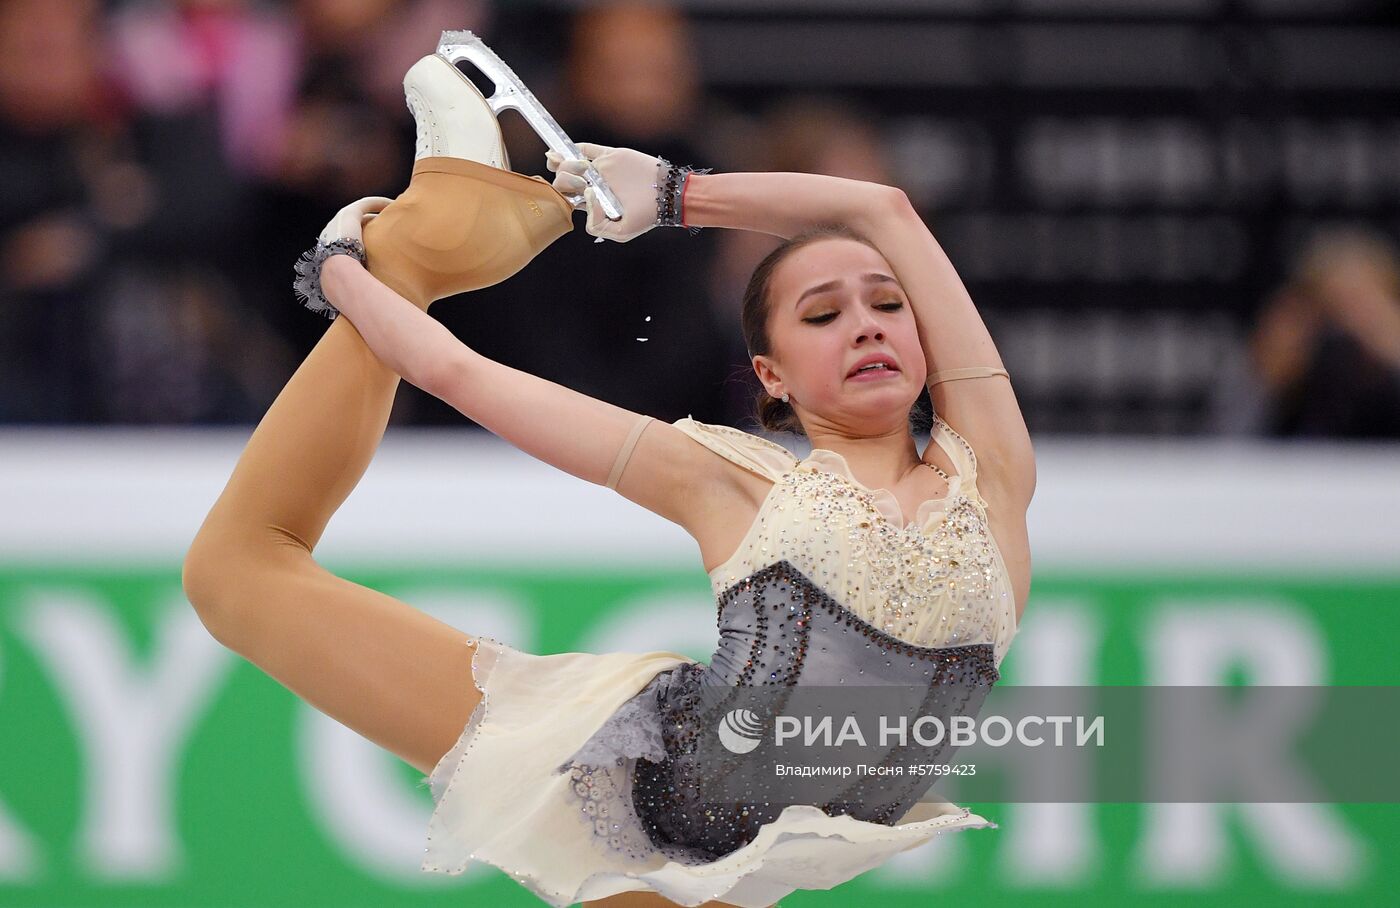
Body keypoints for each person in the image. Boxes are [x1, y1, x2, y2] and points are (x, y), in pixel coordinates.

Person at [183, 49, 1034, 908]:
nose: (865, 326)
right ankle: (421, 247)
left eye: (888, 304)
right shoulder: (731, 482)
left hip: (733, 874)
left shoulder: (991, 472)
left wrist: (672, 194)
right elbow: (459, 374)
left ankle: (437, 230)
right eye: (823, 315)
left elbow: (881, 210)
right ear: (771, 376)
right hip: (633, 789)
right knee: (233, 572)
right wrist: (349, 268)